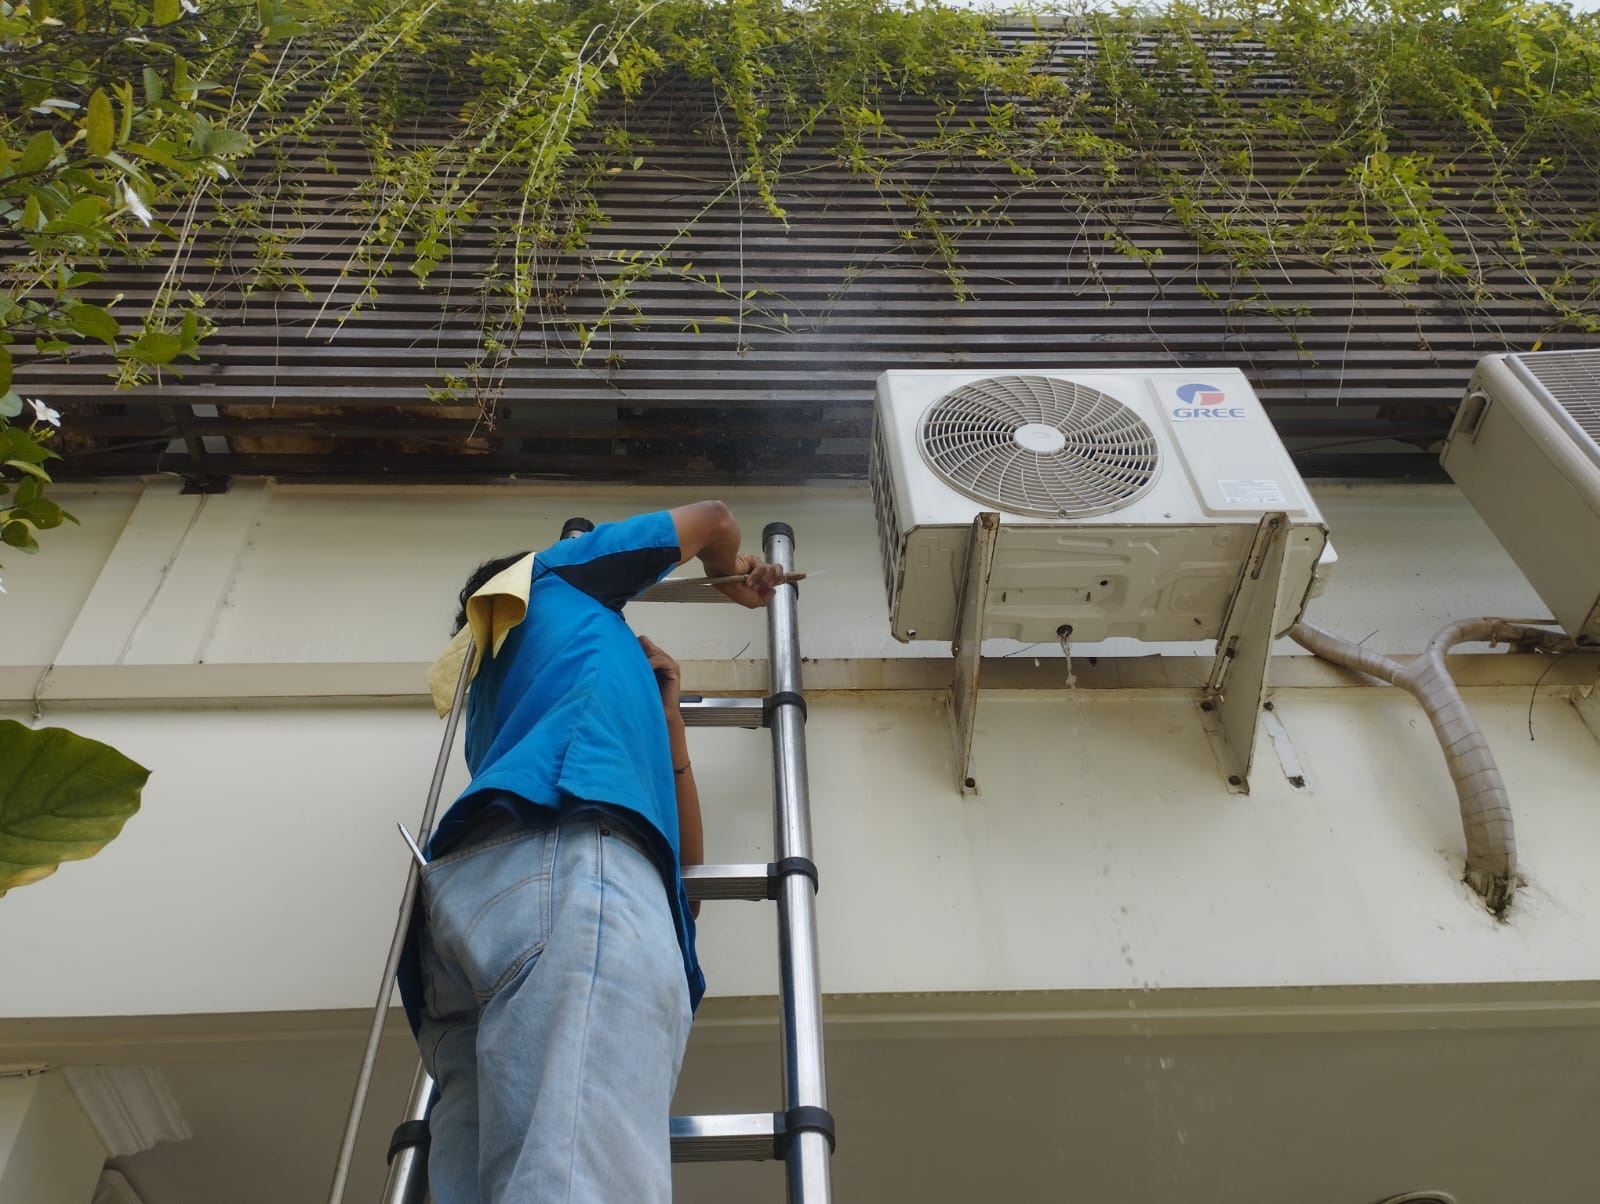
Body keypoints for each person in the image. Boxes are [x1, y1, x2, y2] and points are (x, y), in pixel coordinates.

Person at [400, 502, 783, 1204]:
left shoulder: (493, 715)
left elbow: (681, 881)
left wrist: (669, 722)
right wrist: (731, 572)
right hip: (573, 874)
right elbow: (712, 518)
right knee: (576, 1184)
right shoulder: (547, 578)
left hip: (472, 919)